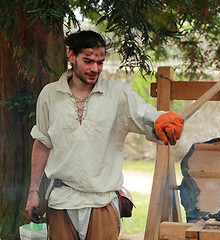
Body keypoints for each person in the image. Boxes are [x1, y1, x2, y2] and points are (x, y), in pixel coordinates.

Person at [25, 30, 184, 240]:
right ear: (71, 56)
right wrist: (33, 191)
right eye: (88, 61)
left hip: (102, 202)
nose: (95, 68)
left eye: (100, 62)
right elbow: (43, 143)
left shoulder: (118, 94)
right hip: (61, 200)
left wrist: (160, 120)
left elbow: (145, 115)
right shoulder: (49, 95)